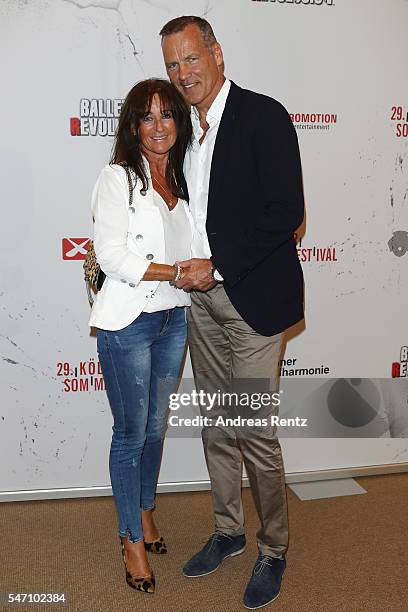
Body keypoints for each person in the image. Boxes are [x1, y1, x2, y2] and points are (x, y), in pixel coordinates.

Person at [160, 16, 304, 609]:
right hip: (202, 304)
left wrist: (216, 267)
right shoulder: (184, 133)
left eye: (191, 59)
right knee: (216, 425)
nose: (183, 74)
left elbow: (286, 212)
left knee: (253, 431)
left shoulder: (263, 115)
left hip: (250, 301)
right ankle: (228, 532)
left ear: (216, 53)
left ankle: (273, 548)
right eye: (172, 65)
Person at [89, 78, 192, 594]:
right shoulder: (117, 178)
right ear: (133, 125)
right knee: (131, 434)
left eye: (167, 115)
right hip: (129, 323)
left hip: (176, 319)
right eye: (147, 117)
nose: (158, 126)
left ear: (179, 122)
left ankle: (147, 512)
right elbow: (111, 256)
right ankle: (131, 539)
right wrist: (174, 272)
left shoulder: (184, 177)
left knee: (155, 427)